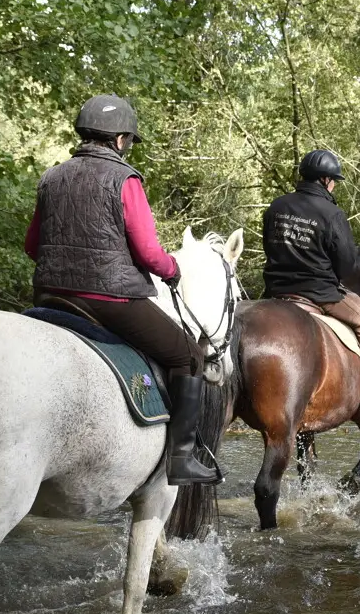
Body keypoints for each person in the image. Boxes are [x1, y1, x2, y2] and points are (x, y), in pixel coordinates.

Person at [25, 94, 220, 486]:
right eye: (128, 140)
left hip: (50, 294)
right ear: (119, 140)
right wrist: (173, 268)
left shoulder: (52, 177)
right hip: (109, 300)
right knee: (188, 355)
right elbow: (148, 252)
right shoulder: (125, 179)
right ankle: (181, 459)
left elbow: (33, 246)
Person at [260, 149, 360, 406]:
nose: (335, 185)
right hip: (318, 293)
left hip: (275, 290)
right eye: (334, 180)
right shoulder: (332, 214)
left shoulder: (277, 206)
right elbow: (347, 266)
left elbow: (268, 247)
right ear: (325, 180)